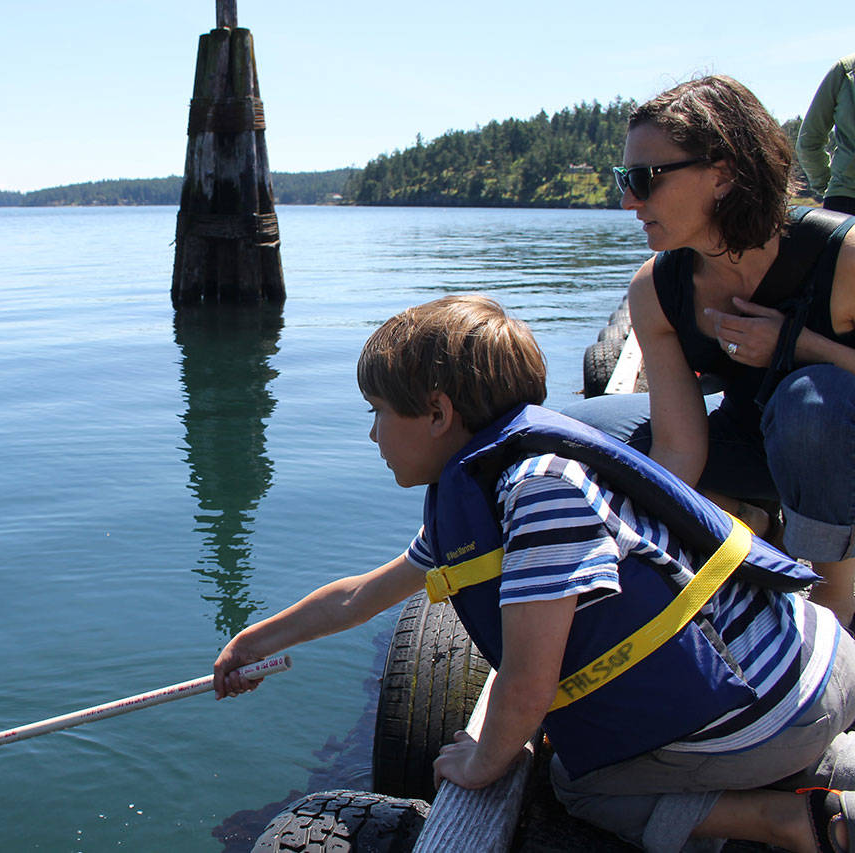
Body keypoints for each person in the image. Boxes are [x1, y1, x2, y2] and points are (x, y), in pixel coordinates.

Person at [215, 295, 855, 852]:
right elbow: (358, 598)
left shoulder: (540, 492)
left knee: (577, 789)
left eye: (378, 411)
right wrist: (255, 643)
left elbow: (526, 681)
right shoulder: (496, 484)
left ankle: (786, 820)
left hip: (780, 702)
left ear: (437, 414)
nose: (374, 434)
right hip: (807, 660)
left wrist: (486, 758)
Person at [561, 75, 855, 627]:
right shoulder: (657, 289)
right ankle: (745, 520)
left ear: (721, 176)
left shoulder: (842, 257)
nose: (628, 199)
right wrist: (639, 540)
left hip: (837, 452)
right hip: (757, 446)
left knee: (810, 401)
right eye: (625, 178)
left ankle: (836, 594)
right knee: (568, 435)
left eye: (645, 179)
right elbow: (679, 446)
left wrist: (796, 344)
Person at [798, 55, 855, 215]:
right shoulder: (845, 70)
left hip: (844, 201)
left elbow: (808, 141)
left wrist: (830, 185)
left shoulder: (845, 70)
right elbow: (808, 142)